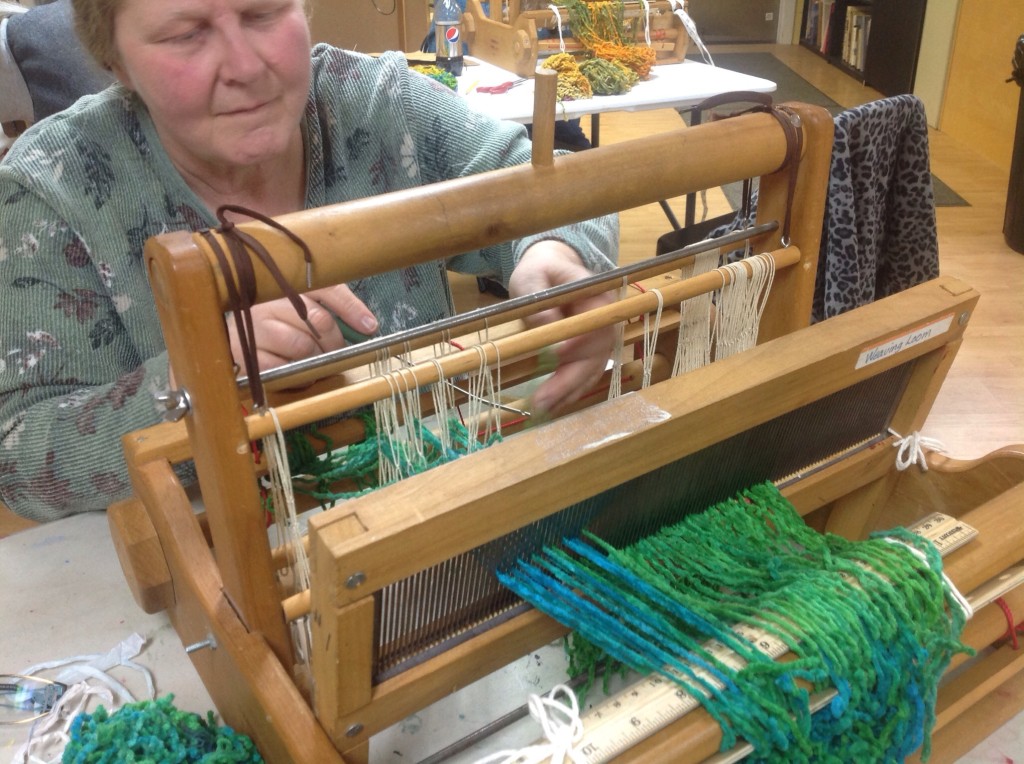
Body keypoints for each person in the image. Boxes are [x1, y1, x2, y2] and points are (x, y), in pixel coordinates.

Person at [0, 0, 619, 522]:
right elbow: (19, 454)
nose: (246, 67)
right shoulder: (56, 191)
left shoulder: (381, 107)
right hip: (229, 572)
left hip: (438, 511)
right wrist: (202, 380)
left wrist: (556, 248)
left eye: (264, 12)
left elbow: (551, 181)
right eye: (186, 35)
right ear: (116, 62)